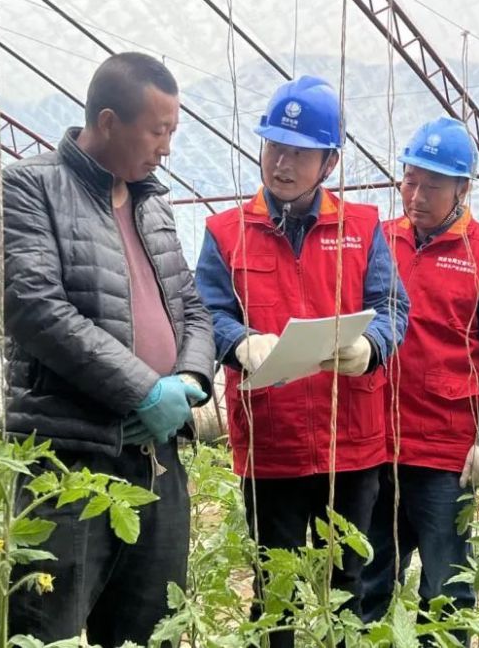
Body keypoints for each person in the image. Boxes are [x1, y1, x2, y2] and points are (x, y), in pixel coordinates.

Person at [0, 52, 215, 646]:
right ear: (109, 122)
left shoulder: (153, 204)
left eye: (173, 133)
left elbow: (191, 307)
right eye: (158, 132)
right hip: (69, 463)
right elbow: (35, 308)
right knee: (48, 630)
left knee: (149, 630)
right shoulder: (29, 188)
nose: (167, 149)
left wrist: (189, 380)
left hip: (155, 458)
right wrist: (143, 390)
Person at [194, 75, 410, 646]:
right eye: (274, 147)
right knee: (276, 593)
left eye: (299, 153)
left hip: (352, 444)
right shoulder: (226, 232)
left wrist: (371, 346)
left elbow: (393, 306)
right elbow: (205, 312)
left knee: (350, 586)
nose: (282, 163)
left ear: (329, 163)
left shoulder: (362, 227)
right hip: (273, 445)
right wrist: (239, 340)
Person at [360, 116, 479, 643]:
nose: (416, 196)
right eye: (409, 181)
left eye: (432, 186)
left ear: (462, 189)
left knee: (446, 588)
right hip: (377, 443)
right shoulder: (381, 240)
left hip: (444, 453)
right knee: (368, 578)